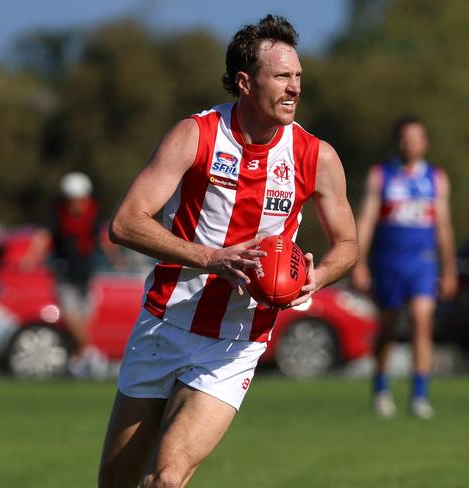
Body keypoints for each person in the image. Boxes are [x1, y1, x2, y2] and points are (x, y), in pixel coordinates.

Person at [97, 15, 358, 488]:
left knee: (167, 478)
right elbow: (125, 222)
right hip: (164, 322)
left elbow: (348, 245)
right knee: (117, 483)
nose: (294, 87)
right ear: (244, 82)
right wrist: (211, 257)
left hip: (236, 341)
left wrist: (315, 278)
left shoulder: (315, 156)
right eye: (281, 76)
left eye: (298, 76)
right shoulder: (195, 135)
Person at [352, 116, 458, 419]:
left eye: (416, 137)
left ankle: (420, 395)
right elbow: (367, 220)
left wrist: (449, 268)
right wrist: (358, 263)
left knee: (421, 322)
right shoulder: (381, 175)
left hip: (422, 263)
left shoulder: (436, 178)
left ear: (425, 142)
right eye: (405, 137)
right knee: (386, 327)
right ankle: (381, 386)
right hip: (388, 263)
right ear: (398, 141)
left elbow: (444, 225)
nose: (410, 143)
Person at [22, 171, 123, 377]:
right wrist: (31, 258)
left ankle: (77, 362)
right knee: (70, 317)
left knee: (82, 322)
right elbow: (43, 237)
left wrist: (117, 259)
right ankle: (92, 354)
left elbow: (104, 238)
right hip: (64, 274)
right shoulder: (57, 214)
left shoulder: (93, 214)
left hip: (86, 275)